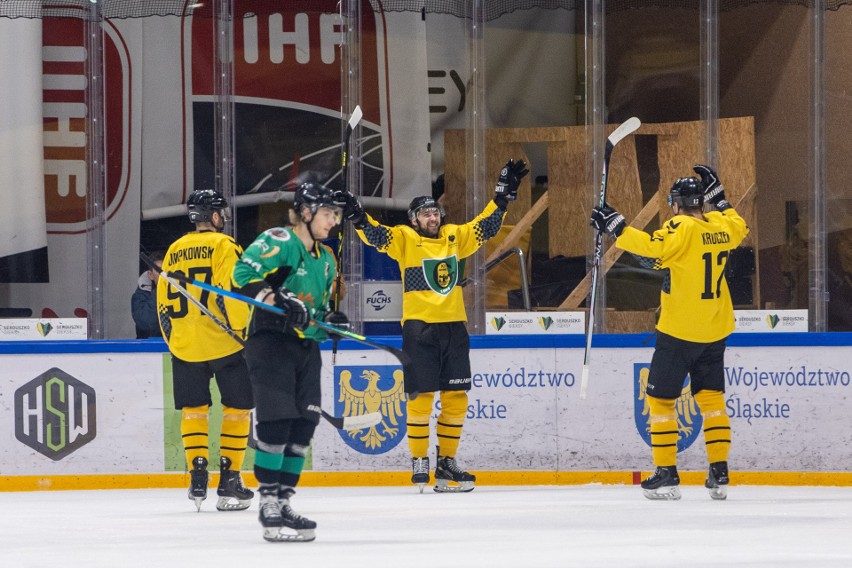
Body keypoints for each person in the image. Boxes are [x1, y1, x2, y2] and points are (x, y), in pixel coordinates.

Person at [336, 159, 529, 493]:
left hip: (454, 328)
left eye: (435, 212)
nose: (432, 217)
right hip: (419, 328)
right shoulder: (405, 240)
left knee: (457, 397)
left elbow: (488, 225)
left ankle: (447, 463)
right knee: (421, 397)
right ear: (414, 220)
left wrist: (503, 194)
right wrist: (356, 214)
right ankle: (419, 460)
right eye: (425, 214)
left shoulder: (456, 237)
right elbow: (375, 235)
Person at [590, 164, 749, 501]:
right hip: (715, 328)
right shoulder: (721, 225)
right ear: (702, 203)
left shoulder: (680, 227)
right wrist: (719, 197)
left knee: (660, 400)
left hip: (679, 330)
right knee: (711, 398)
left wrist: (615, 225)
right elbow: (739, 224)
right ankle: (719, 472)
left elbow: (653, 249)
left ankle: (667, 473)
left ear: (677, 204)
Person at [232, 181, 348, 542]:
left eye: (336, 215)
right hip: (271, 342)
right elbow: (242, 275)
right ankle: (267, 500)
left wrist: (331, 320)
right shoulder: (280, 240)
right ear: (308, 212)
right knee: (277, 424)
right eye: (329, 214)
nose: (333, 222)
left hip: (305, 349)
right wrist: (277, 298)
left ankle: (283, 501)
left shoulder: (327, 259)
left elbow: (318, 309)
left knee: (303, 428)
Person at [156, 189, 254, 512]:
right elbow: (233, 290)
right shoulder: (225, 246)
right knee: (237, 410)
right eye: (220, 213)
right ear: (213, 216)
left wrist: (175, 341)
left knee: (194, 411)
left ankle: (197, 475)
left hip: (185, 347)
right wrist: (240, 331)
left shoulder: (174, 250)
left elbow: (162, 305)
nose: (223, 218)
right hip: (224, 343)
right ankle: (230, 479)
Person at [132, 250, 164, 338]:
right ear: (150, 275)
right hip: (148, 349)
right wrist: (160, 291)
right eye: (159, 270)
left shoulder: (179, 292)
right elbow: (145, 323)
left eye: (167, 270)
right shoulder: (140, 295)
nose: (164, 274)